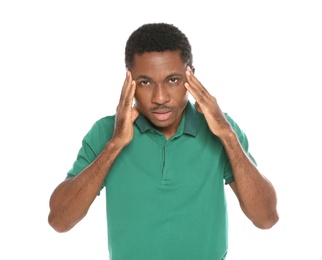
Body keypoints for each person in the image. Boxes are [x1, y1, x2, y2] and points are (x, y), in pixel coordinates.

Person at [48, 23, 279, 260]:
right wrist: (115, 144)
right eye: (146, 82)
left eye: (173, 80)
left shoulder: (220, 129)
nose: (160, 98)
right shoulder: (105, 131)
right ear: (129, 81)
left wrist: (228, 136)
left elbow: (266, 218)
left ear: (191, 77)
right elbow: (59, 220)